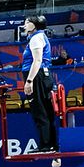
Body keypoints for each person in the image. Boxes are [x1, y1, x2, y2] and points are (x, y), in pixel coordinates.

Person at [22, 14, 60, 158]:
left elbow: (37, 61)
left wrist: (29, 81)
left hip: (36, 76)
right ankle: (51, 144)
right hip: (42, 76)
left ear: (35, 25)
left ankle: (45, 145)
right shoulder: (39, 37)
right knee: (46, 111)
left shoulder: (36, 38)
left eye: (27, 22)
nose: (25, 25)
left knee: (40, 111)